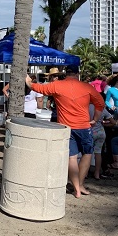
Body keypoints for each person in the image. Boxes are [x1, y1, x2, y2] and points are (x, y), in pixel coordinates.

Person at [27, 65, 105, 198]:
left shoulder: (57, 85)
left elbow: (36, 87)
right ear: (77, 74)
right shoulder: (87, 87)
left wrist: (27, 79)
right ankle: (80, 185)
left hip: (66, 128)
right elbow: (100, 104)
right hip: (84, 127)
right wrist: (95, 119)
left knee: (72, 157)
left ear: (66, 74)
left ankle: (76, 188)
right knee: (87, 154)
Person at [90, 104, 114, 180]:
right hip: (101, 132)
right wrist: (104, 124)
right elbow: (113, 122)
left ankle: (85, 172)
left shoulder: (87, 107)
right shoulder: (102, 108)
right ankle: (97, 173)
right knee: (98, 153)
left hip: (90, 132)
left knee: (88, 153)